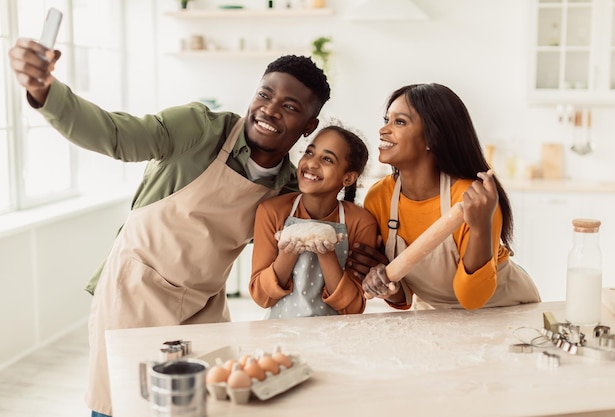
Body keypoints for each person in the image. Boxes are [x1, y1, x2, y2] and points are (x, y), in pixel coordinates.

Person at [8, 35, 330, 417]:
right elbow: (115, 134)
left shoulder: (288, 188)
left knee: (204, 402)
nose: (270, 110)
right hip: (135, 292)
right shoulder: (198, 129)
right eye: (264, 94)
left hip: (203, 303)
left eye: (289, 107)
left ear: (309, 125)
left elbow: (297, 259)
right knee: (120, 400)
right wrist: (45, 90)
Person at [352, 83, 540, 310]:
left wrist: (480, 229)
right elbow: (403, 295)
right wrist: (383, 284)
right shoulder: (379, 197)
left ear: (432, 138)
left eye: (399, 122)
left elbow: (472, 298)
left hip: (505, 310)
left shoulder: (471, 198)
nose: (383, 130)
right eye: (386, 120)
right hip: (437, 313)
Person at [249, 124, 378, 319]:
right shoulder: (272, 211)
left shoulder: (360, 222)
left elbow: (353, 308)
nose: (311, 163)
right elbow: (261, 297)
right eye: (309, 152)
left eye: (327, 159)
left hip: (337, 336)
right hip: (280, 334)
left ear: (348, 178)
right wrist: (288, 251)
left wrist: (326, 253)